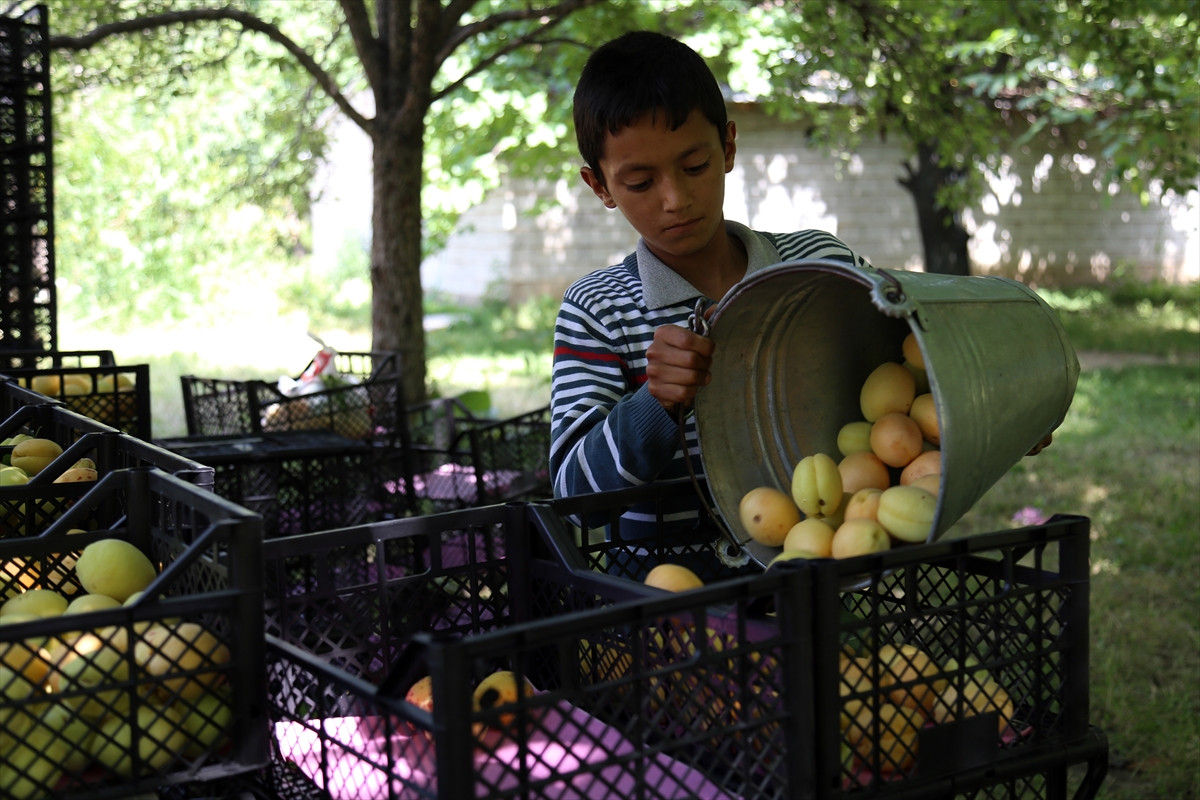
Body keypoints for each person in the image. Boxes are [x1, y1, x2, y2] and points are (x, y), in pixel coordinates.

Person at [548, 30, 873, 581]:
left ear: (727, 147)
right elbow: (574, 497)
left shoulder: (820, 265)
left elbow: (908, 375)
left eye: (694, 165)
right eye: (640, 182)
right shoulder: (599, 310)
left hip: (821, 584)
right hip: (670, 606)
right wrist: (655, 404)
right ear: (600, 186)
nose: (675, 199)